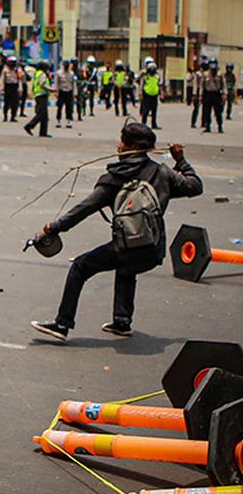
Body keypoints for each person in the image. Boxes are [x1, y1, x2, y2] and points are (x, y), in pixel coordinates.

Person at [31, 124, 202, 342]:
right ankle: (122, 321)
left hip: (126, 247)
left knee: (81, 266)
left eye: (122, 142)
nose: (118, 146)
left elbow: (83, 209)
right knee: (126, 268)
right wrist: (180, 160)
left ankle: (62, 323)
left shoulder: (115, 178)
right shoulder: (162, 173)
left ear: (131, 147)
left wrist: (53, 228)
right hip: (153, 249)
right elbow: (195, 186)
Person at [23, 60, 53, 138]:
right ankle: (29, 126)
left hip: (38, 95)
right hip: (42, 95)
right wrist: (51, 89)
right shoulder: (42, 74)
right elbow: (42, 84)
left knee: (44, 115)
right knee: (42, 114)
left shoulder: (37, 73)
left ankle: (43, 132)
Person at [202, 60, 225, 134]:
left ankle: (220, 126)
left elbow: (223, 85)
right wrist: (200, 95)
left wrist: (224, 94)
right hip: (208, 94)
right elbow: (202, 85)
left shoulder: (220, 74)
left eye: (214, 64)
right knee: (207, 111)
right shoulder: (205, 74)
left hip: (217, 94)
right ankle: (207, 126)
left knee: (218, 112)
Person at [0, 56, 23, 122]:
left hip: (15, 86)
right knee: (6, 102)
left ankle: (13, 116)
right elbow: (2, 80)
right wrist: (2, 89)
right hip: (7, 86)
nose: (12, 64)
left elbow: (20, 79)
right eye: (11, 62)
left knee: (15, 103)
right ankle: (5, 116)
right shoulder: (5, 70)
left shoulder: (17, 69)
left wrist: (20, 89)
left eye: (13, 62)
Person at [139, 61, 162, 129]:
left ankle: (154, 124)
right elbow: (141, 85)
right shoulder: (145, 77)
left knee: (154, 110)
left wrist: (161, 93)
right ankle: (143, 124)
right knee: (145, 110)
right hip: (147, 94)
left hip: (155, 95)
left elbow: (159, 85)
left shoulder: (157, 77)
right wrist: (140, 94)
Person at [55, 58, 76, 128]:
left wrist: (74, 93)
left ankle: (68, 121)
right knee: (59, 107)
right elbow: (56, 83)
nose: (66, 66)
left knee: (69, 107)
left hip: (69, 91)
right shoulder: (59, 73)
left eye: (67, 65)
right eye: (65, 64)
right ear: (63, 65)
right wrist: (56, 92)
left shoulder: (72, 73)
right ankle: (58, 121)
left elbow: (74, 84)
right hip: (61, 91)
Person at [189, 58, 205, 129]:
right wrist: (195, 94)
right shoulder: (198, 74)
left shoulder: (205, 74)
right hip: (198, 91)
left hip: (203, 91)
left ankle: (204, 122)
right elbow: (195, 84)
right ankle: (193, 122)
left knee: (205, 108)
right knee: (196, 108)